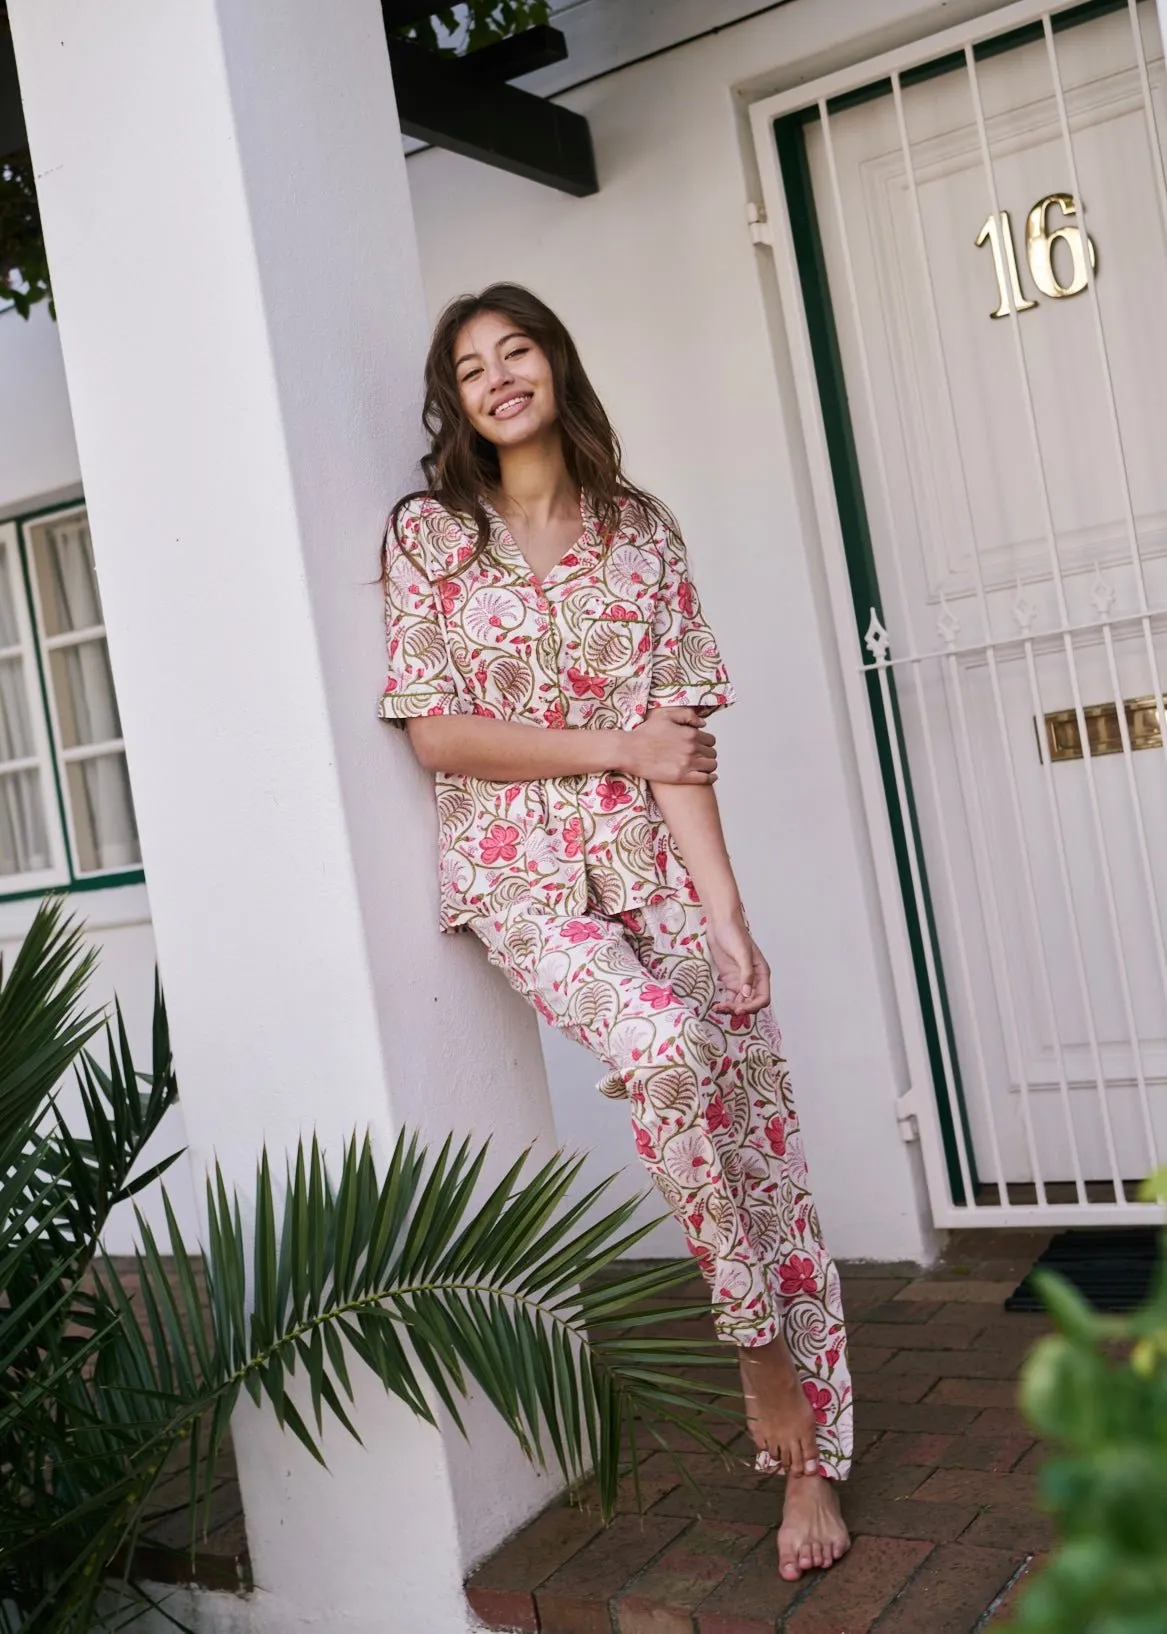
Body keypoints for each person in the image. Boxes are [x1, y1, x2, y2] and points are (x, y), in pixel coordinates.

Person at [378, 284, 852, 1580]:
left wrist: (728, 916)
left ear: (553, 364)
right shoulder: (430, 540)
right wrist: (614, 746)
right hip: (521, 881)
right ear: (457, 402)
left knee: (753, 1098)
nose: (497, 375)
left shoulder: (640, 538)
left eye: (514, 348)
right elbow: (438, 733)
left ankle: (808, 1453)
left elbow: (680, 753)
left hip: (650, 864)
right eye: (470, 365)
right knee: (660, 1048)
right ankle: (757, 1357)